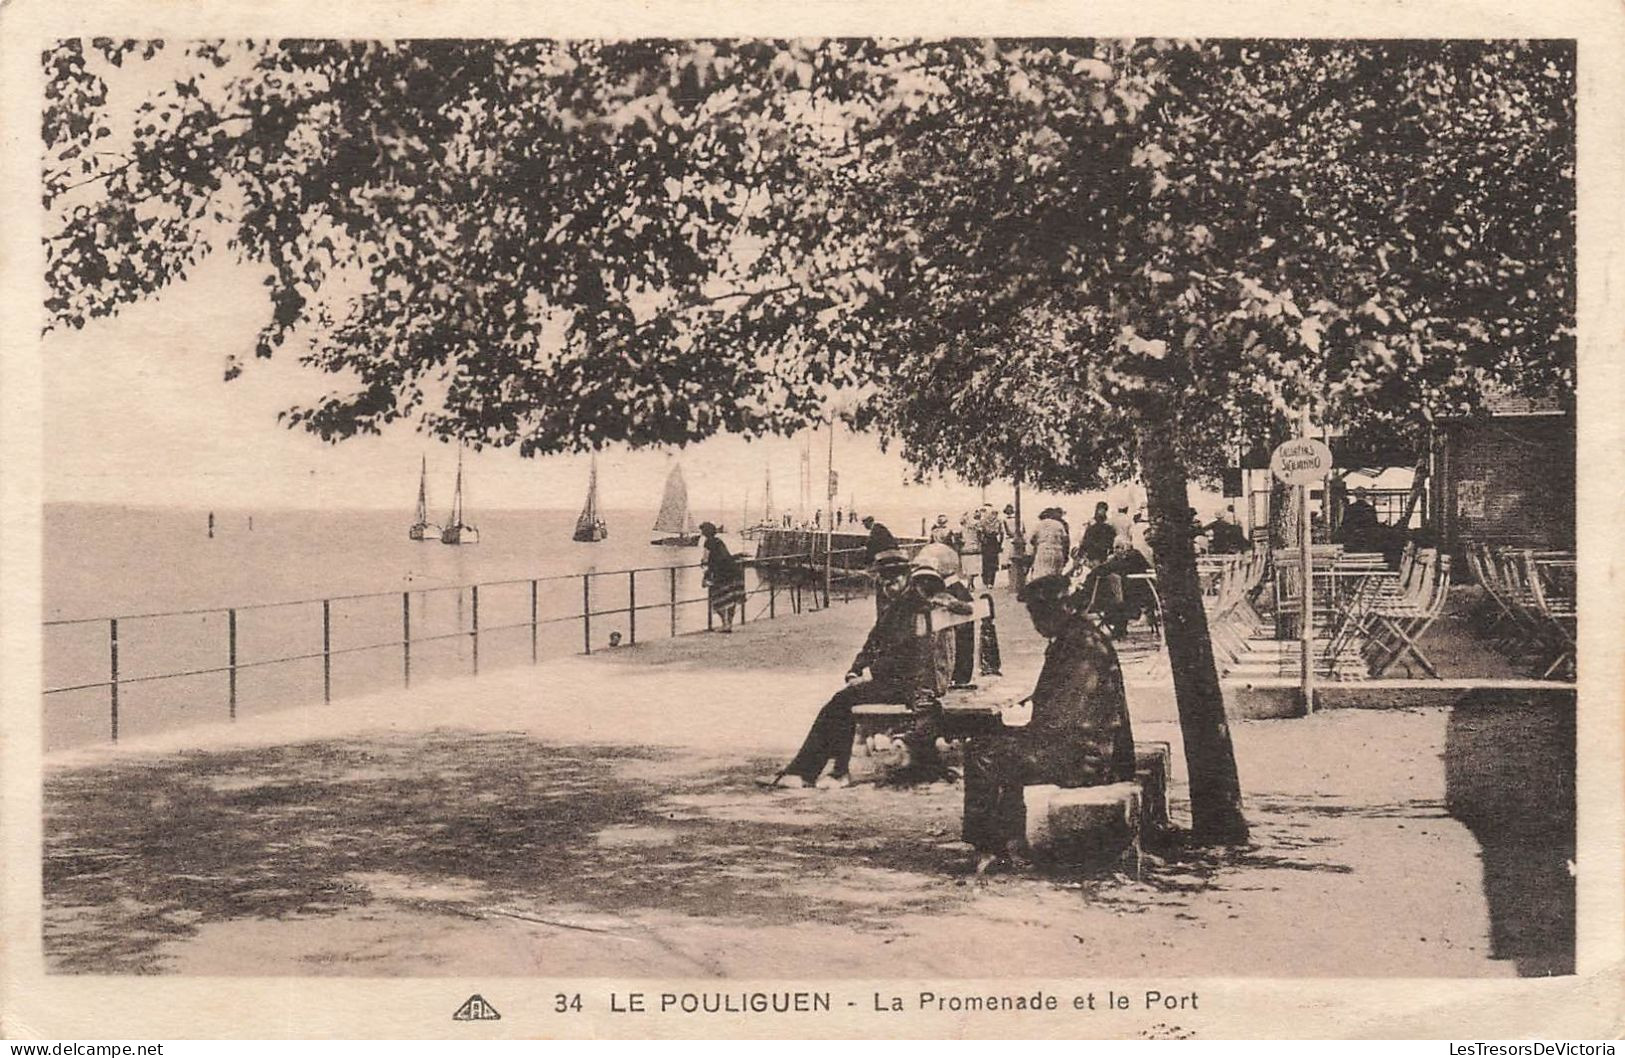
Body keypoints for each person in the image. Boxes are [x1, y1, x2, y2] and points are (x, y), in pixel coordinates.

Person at [962, 574, 1137, 873]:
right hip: (1091, 747)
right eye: (1033, 614)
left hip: (1087, 757)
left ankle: (989, 848)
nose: (1036, 621)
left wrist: (1026, 728)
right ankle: (1010, 839)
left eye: (1039, 613)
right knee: (995, 742)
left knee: (983, 753)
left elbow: (1068, 719)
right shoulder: (1079, 637)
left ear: (1062, 609)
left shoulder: (1079, 646)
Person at [762, 563, 970, 789]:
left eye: (895, 582)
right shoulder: (896, 607)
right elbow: (873, 642)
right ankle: (822, 772)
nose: (889, 587)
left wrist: (869, 674)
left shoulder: (917, 608)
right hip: (897, 681)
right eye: (885, 583)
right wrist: (855, 669)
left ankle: (821, 772)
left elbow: (906, 657)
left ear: (906, 578)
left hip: (913, 686)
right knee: (841, 702)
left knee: (840, 703)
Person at [699, 522, 746, 633]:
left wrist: (703, 564)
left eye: (702, 531)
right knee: (732, 598)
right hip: (732, 570)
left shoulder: (708, 542)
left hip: (720, 573)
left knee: (717, 599)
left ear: (705, 532)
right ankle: (729, 624)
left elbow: (705, 558)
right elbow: (725, 555)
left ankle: (725, 624)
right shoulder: (719, 541)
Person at [1028, 508, 1071, 580]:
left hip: (1043, 551)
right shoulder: (1059, 524)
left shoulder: (1039, 524)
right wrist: (1065, 556)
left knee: (1041, 576)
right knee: (1055, 576)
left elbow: (1031, 540)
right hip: (1058, 552)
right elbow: (1066, 541)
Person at [1340, 487, 1381, 552]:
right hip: (1367, 541)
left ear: (1355, 495)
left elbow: (1344, 525)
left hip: (1352, 541)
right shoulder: (1370, 509)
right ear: (1365, 495)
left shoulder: (1349, 508)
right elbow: (1374, 526)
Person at [1079, 502, 1117, 567]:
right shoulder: (1091, 522)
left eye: (1103, 509)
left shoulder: (1109, 523)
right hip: (1092, 551)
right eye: (1100, 509)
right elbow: (1084, 538)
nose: (1101, 512)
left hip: (1103, 551)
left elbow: (1112, 538)